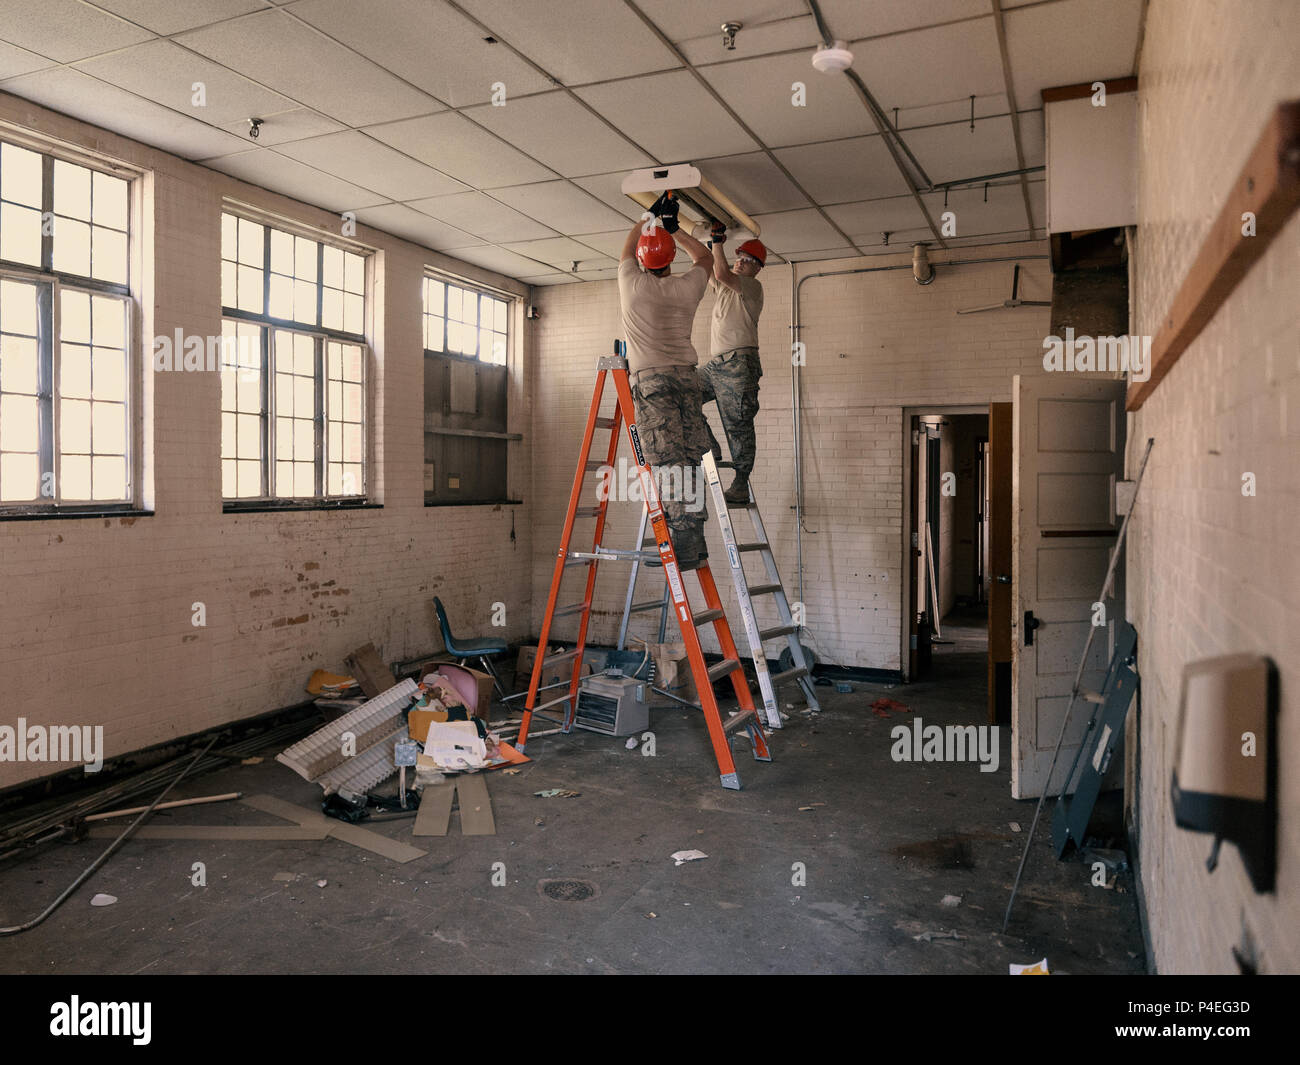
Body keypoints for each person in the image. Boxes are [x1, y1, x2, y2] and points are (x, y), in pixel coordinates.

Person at [617, 193, 714, 567]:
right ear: (671, 261)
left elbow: (626, 250)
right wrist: (676, 229)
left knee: (670, 463)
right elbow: (704, 258)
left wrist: (648, 219)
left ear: (643, 262)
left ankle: (684, 545)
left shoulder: (633, 286)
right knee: (689, 459)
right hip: (688, 382)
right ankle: (696, 541)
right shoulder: (687, 286)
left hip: (654, 385)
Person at [698, 227, 767, 505]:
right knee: (682, 392)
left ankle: (741, 483)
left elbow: (723, 272)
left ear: (758, 268)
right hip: (716, 365)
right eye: (739, 256)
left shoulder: (751, 287)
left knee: (738, 425)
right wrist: (707, 242)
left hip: (739, 364)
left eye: (747, 259)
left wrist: (717, 242)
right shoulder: (726, 287)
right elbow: (715, 270)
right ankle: (710, 448)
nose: (740, 261)